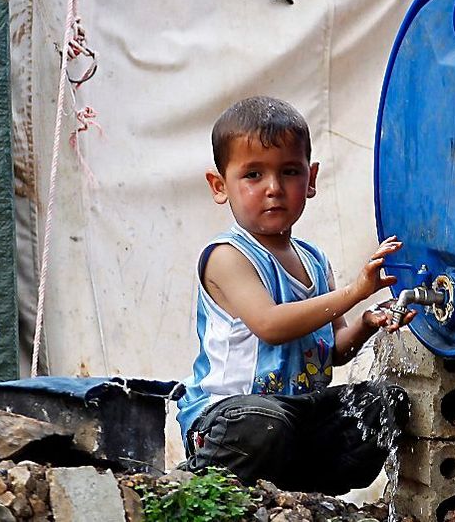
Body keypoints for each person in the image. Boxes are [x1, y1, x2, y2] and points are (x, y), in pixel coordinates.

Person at [176, 95, 414, 495]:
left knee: (385, 406)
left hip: (298, 418)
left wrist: (367, 322)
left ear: (311, 178)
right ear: (220, 186)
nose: (274, 188)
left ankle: (302, 492)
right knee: (262, 423)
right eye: (253, 175)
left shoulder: (314, 259)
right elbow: (270, 326)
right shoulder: (226, 257)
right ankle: (199, 475)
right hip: (232, 416)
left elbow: (333, 349)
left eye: (289, 172)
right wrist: (356, 292)